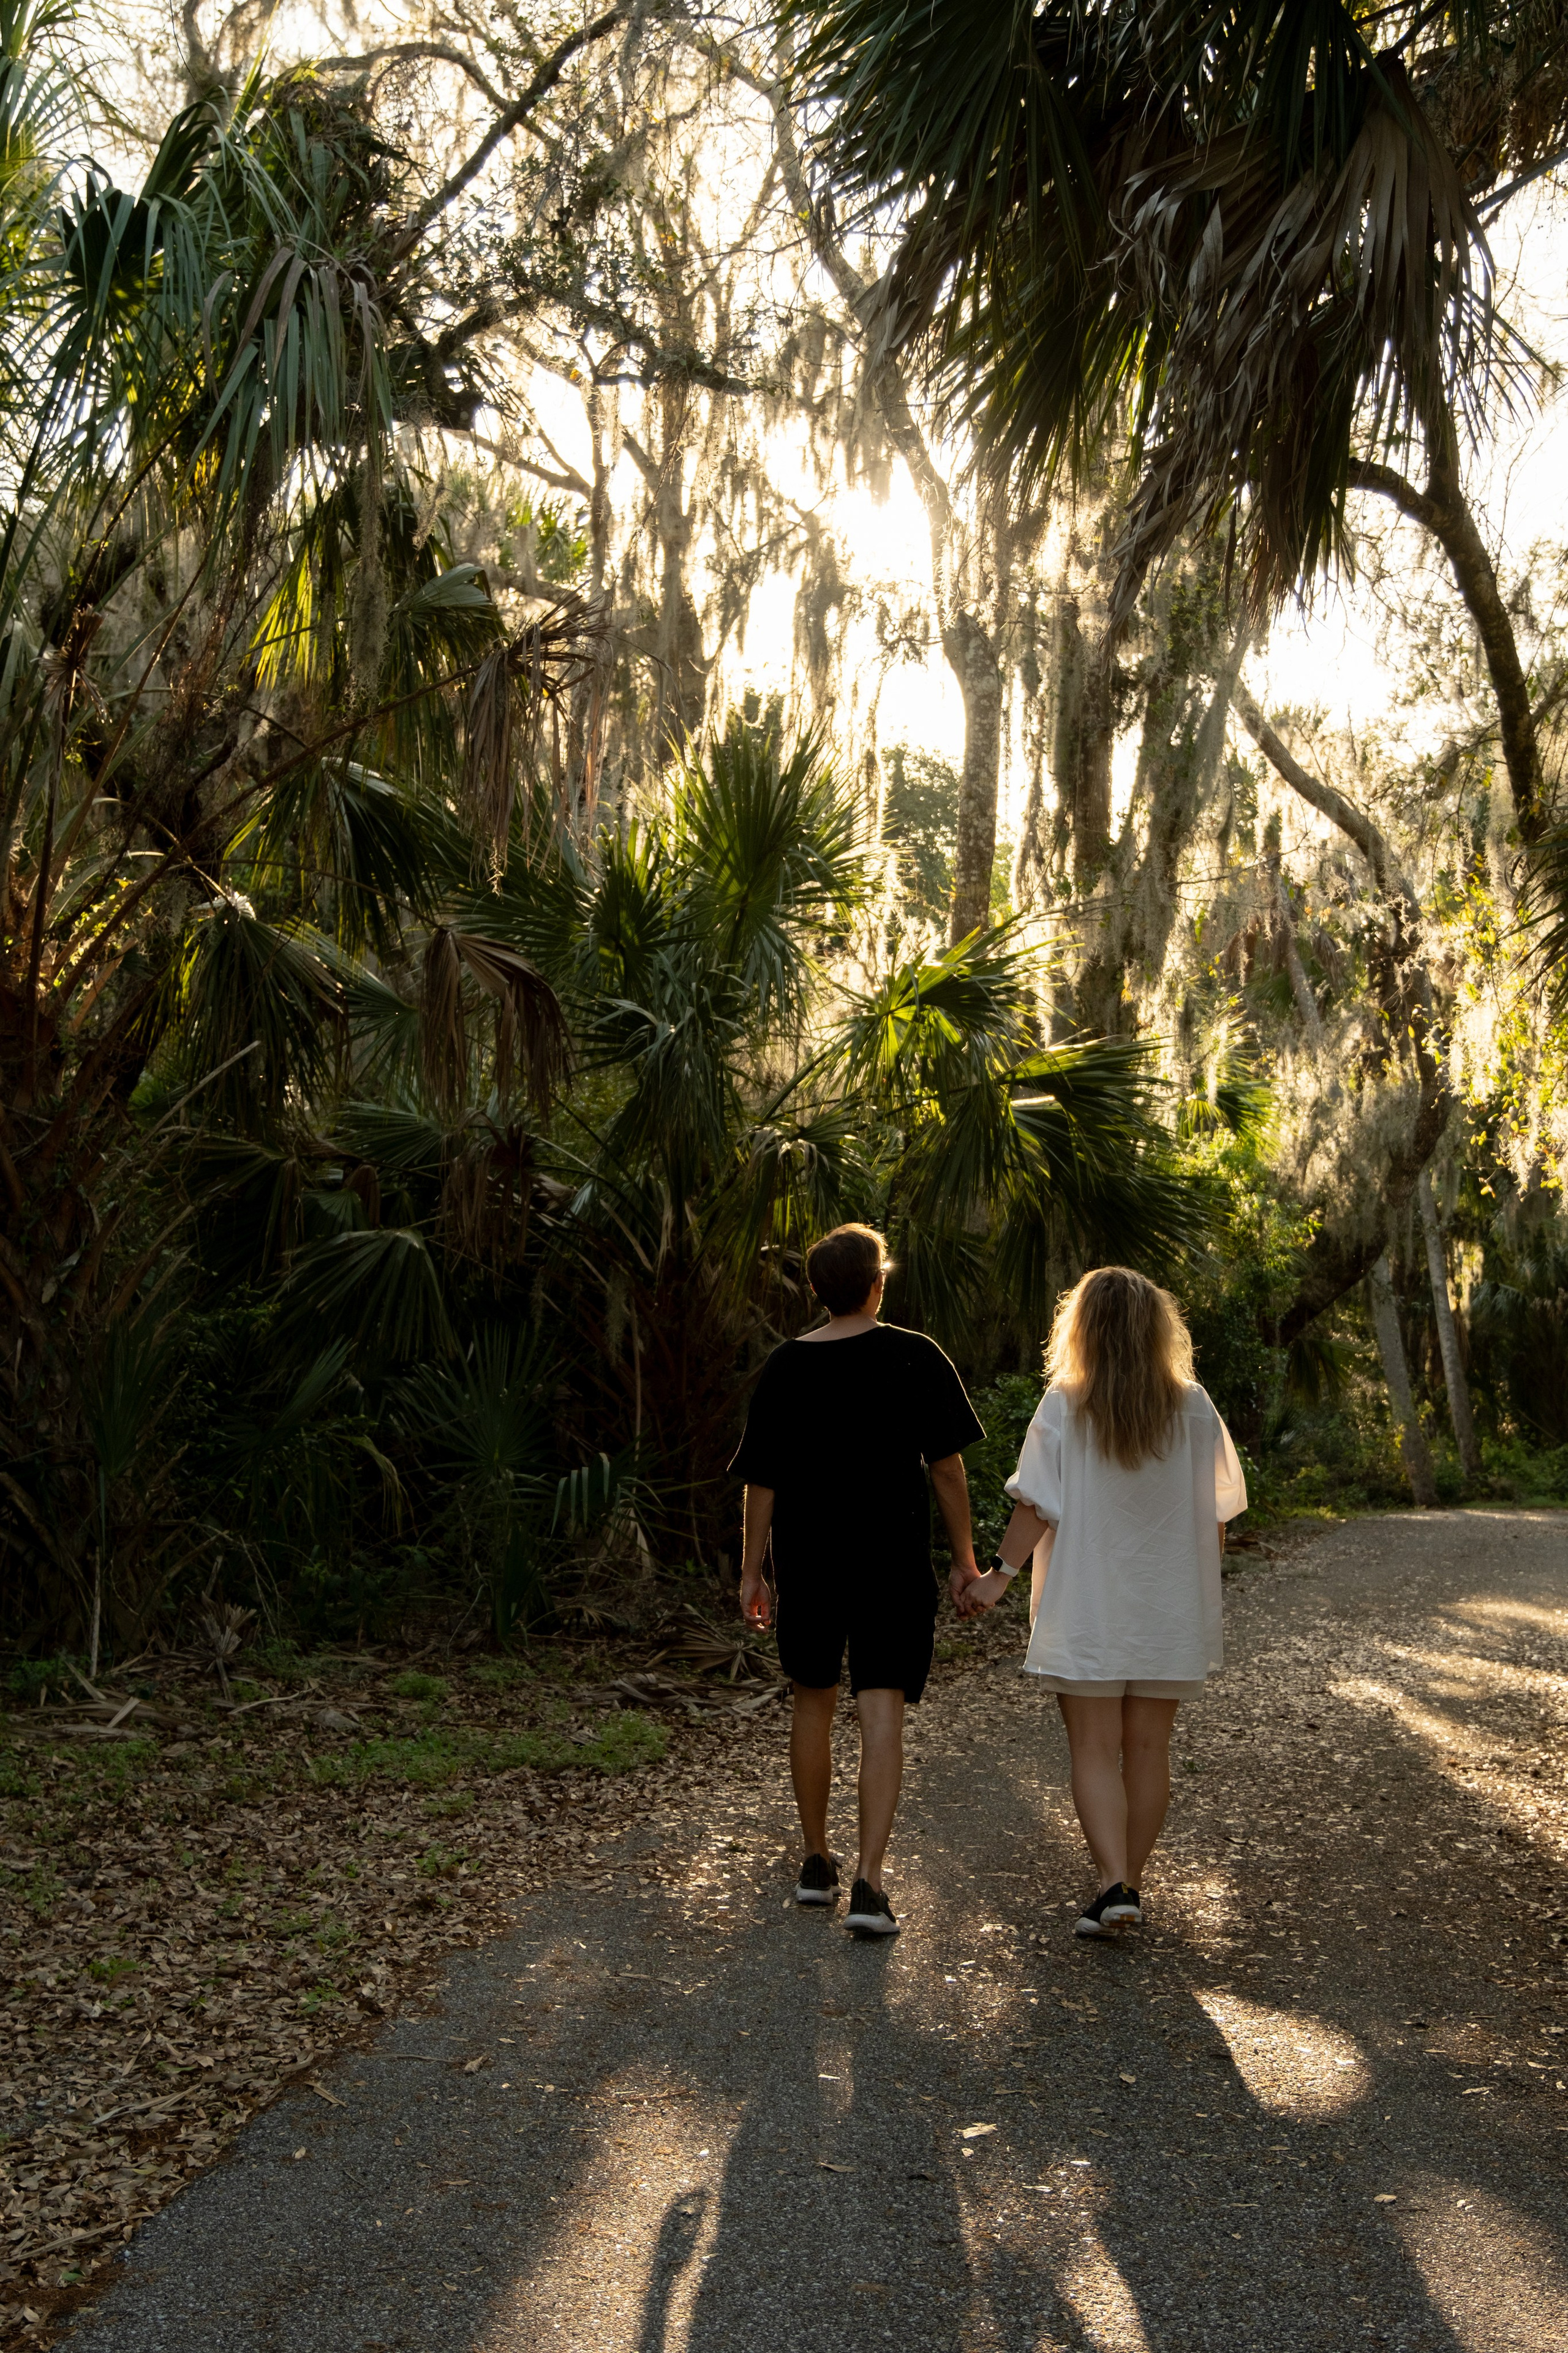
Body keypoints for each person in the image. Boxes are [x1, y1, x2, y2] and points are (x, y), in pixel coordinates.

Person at [961, 1265, 1246, 1937]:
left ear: (1081, 1328)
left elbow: (1036, 1503)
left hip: (1087, 1603)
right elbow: (1217, 1514)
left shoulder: (1065, 1402)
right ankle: (1130, 1886)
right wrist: (1197, 1587)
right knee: (1149, 1748)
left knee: (1093, 1746)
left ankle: (1112, 1881)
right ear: (1157, 1329)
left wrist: (997, 1577)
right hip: (1168, 1606)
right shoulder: (1194, 1406)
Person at [731, 1223, 984, 1938]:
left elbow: (761, 1480)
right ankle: (869, 1884)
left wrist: (753, 1572)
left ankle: (816, 1862)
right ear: (877, 1284)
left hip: (809, 1560)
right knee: (881, 1715)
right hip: (891, 1561)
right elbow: (946, 1469)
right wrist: (964, 1559)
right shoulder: (915, 1354)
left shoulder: (786, 1365)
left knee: (811, 1703)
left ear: (818, 1289)